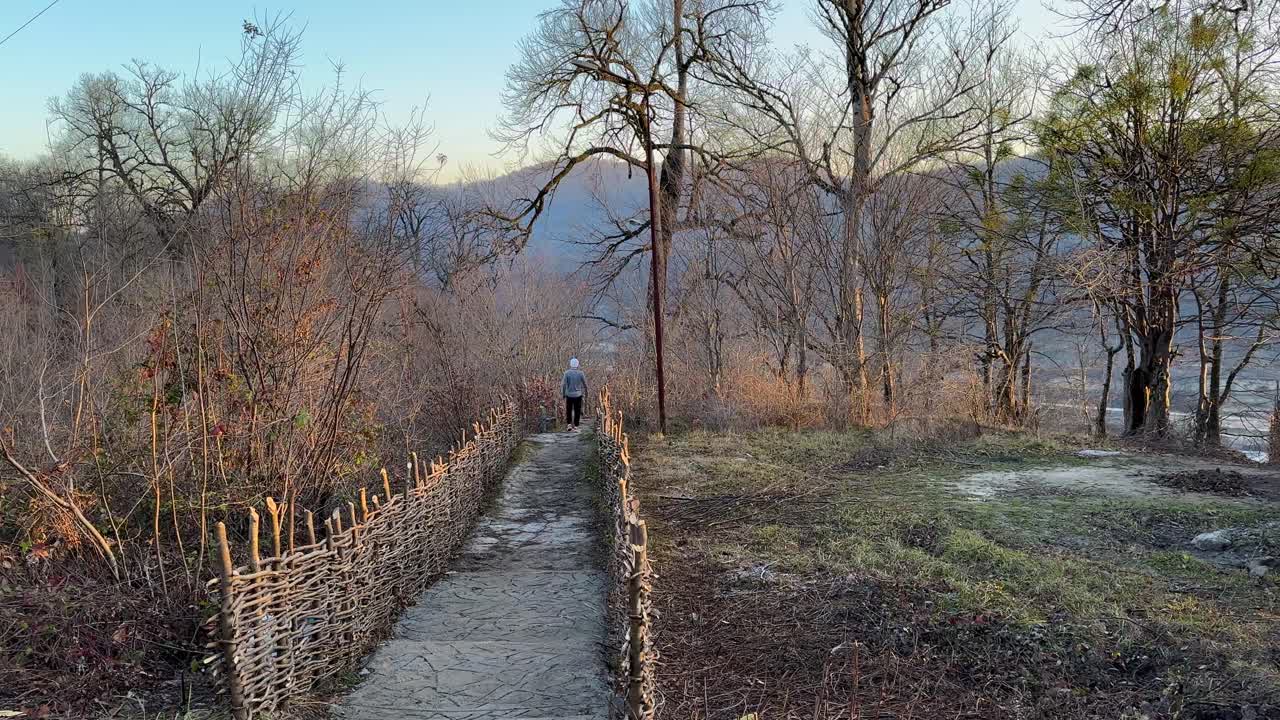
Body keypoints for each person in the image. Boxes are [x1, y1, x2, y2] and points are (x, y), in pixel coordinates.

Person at [562, 357, 587, 431]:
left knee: (568, 409)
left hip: (569, 394)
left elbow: (564, 385)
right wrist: (586, 392)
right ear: (577, 364)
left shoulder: (567, 373)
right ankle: (576, 425)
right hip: (578, 394)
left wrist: (563, 393)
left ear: (570, 364)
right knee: (577, 410)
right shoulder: (580, 373)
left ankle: (569, 424)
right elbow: (585, 384)